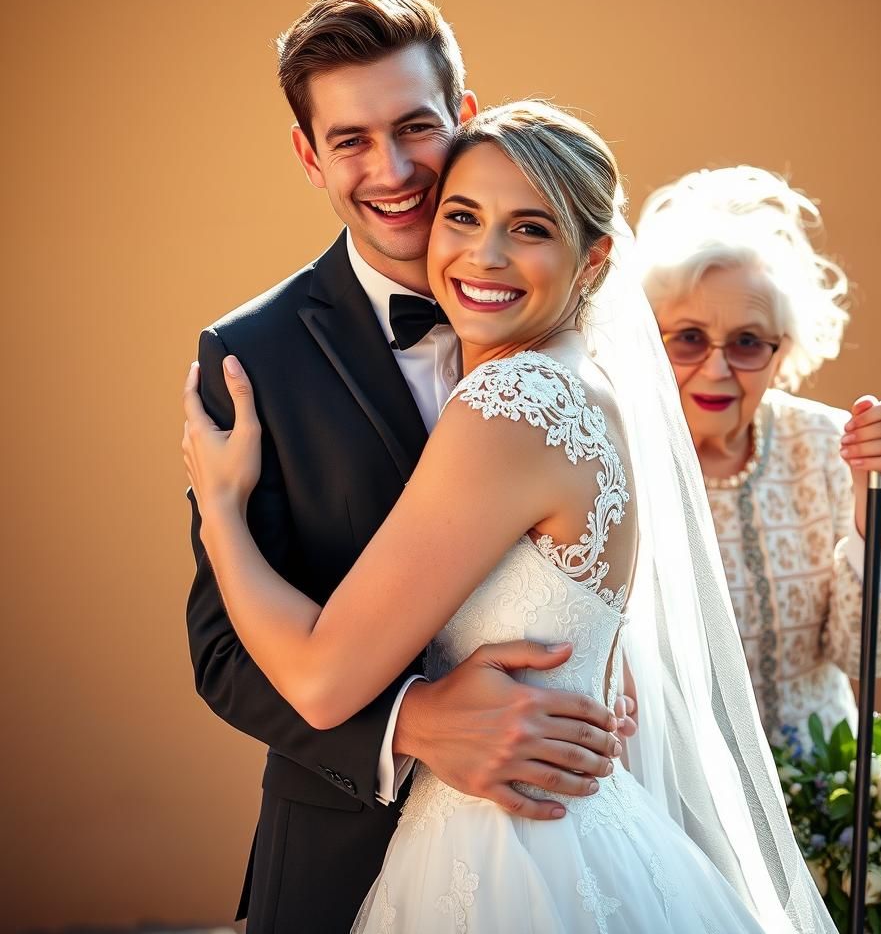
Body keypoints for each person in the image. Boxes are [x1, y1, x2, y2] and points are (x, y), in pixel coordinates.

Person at [183, 101, 838, 932]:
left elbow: (319, 680)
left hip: (501, 858)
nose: (483, 255)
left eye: (530, 229)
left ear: (594, 260)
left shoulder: (511, 401)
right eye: (462, 216)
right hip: (577, 834)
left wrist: (221, 510)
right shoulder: (585, 379)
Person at [185, 0, 628, 933]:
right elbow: (220, 651)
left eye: (415, 127)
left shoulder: (557, 346)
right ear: (310, 157)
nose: (391, 170)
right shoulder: (248, 357)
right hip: (337, 860)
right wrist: (414, 721)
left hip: (539, 847)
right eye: (350, 140)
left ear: (462, 117)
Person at [638, 166, 881, 744]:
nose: (717, 370)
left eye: (747, 342)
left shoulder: (829, 445)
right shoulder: (615, 456)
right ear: (647, 338)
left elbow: (867, 654)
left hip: (826, 788)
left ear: (782, 350)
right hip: (686, 813)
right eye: (689, 337)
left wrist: (880, 503)